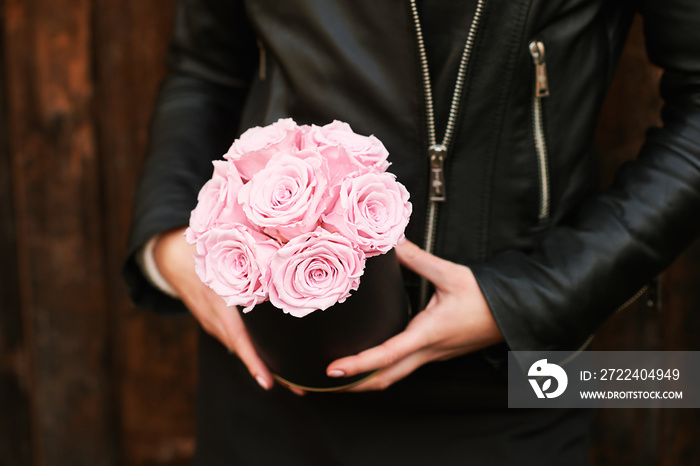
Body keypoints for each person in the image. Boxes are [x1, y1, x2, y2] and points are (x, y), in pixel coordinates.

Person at [124, 0, 700, 464]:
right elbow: (205, 67)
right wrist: (171, 238)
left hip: (514, 379)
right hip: (271, 374)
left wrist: (528, 300)